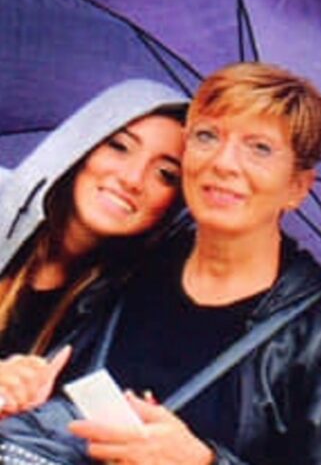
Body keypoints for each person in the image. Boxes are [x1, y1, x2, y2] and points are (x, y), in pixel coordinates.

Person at [69, 62, 321, 465]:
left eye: (260, 148)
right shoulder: (134, 257)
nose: (224, 163)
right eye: (207, 136)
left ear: (297, 187)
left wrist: (202, 462)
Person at [0, 78, 189, 418]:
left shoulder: (118, 312)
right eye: (120, 146)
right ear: (81, 144)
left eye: (165, 174)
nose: (132, 178)